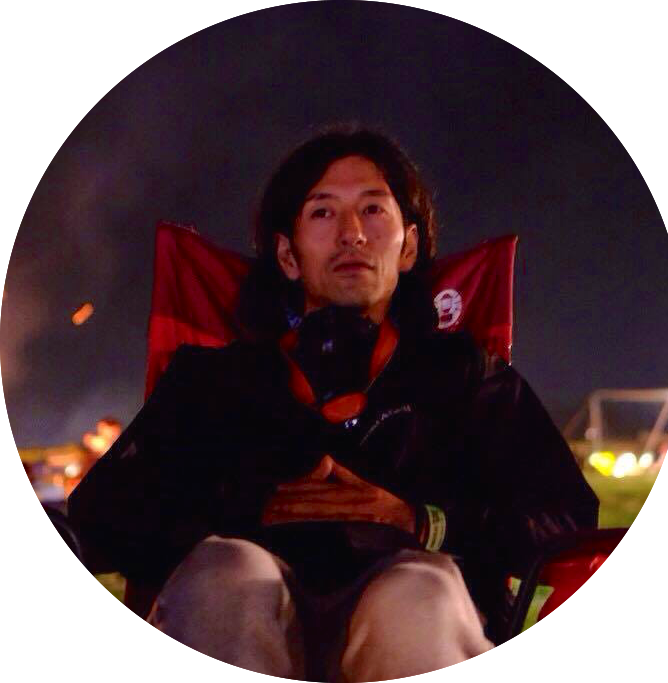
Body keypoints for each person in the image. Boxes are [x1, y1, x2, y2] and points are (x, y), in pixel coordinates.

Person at [68, 124, 599, 681]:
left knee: (417, 591)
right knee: (228, 572)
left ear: (409, 246)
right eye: (323, 212)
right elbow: (99, 520)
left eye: (373, 210)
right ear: (287, 255)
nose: (352, 234)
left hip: (417, 618)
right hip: (241, 617)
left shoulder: (469, 379)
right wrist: (242, 511)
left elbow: (566, 518)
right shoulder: (210, 381)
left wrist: (420, 522)